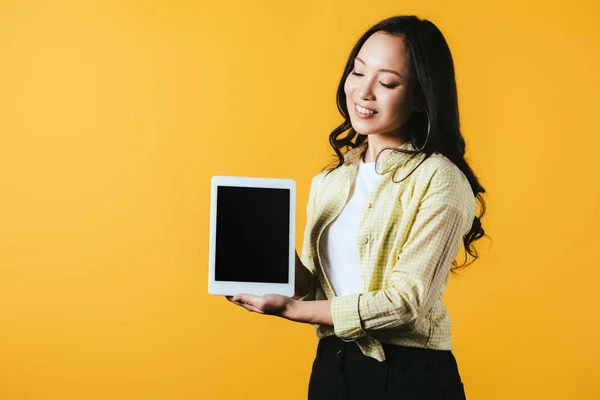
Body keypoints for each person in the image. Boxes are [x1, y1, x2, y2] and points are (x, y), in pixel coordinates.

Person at [226, 15, 487, 400]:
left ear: (420, 96)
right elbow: (315, 286)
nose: (363, 92)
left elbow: (406, 303)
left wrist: (289, 311)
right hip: (334, 367)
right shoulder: (330, 181)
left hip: (410, 376)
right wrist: (269, 256)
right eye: (357, 72)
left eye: (386, 82)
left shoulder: (440, 179)